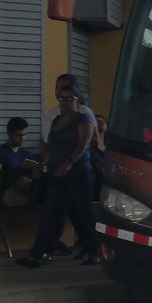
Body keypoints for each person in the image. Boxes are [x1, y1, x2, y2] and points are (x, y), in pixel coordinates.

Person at [18, 85, 98, 267]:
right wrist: (42, 163)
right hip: (56, 173)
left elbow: (83, 144)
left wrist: (69, 162)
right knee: (50, 212)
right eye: (61, 99)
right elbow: (50, 146)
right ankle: (38, 254)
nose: (64, 102)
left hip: (78, 173)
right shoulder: (56, 120)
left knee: (84, 212)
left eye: (68, 99)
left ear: (77, 100)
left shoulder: (83, 118)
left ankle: (95, 250)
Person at [1, 117, 42, 207]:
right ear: (9, 134)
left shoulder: (27, 155)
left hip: (27, 192)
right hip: (7, 193)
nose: (22, 139)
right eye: (18, 135)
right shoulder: (2, 152)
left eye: (24, 135)